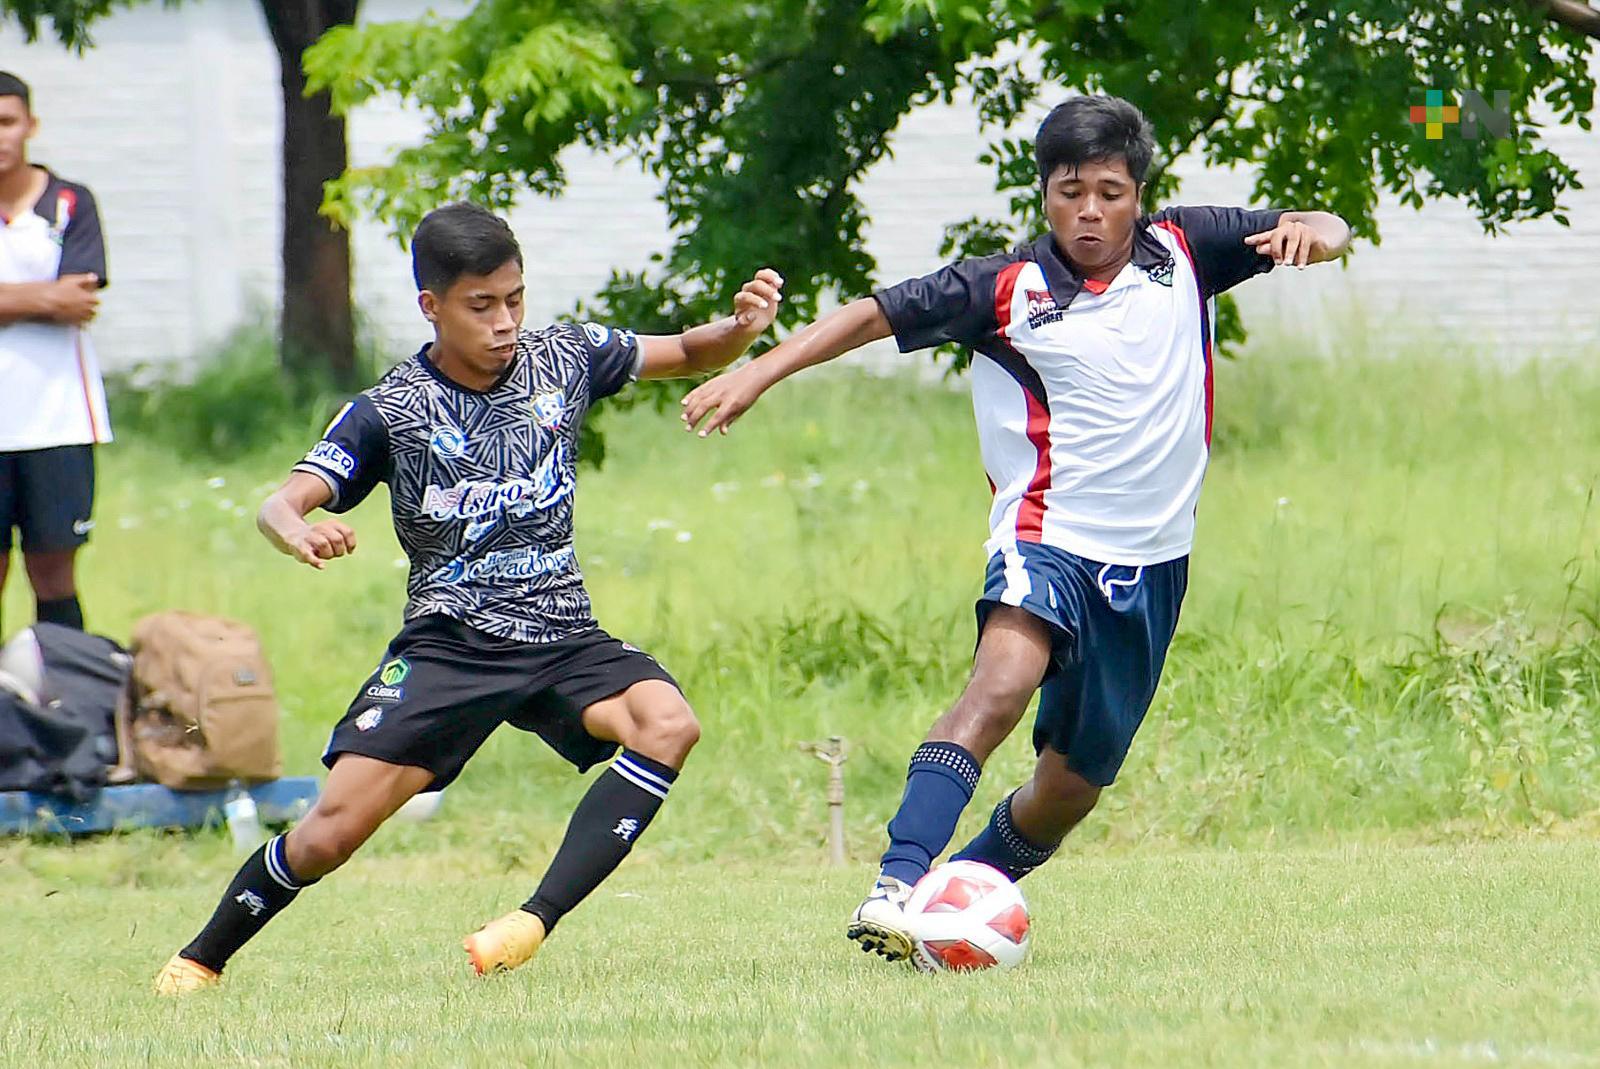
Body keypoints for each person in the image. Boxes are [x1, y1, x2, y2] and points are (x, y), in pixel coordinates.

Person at [681, 95, 1351, 965]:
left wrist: (1318, 236)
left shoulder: (1190, 249)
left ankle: (948, 902)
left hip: (1152, 565)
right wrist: (759, 374)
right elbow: (869, 314)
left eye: (1110, 191)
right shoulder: (1002, 288)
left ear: (1138, 194)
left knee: (1067, 793)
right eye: (1071, 191)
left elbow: (1322, 223)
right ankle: (894, 883)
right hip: (1046, 538)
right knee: (999, 684)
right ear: (1045, 193)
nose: (1090, 211)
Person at [154, 202, 784, 994]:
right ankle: (200, 959)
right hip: (452, 644)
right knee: (330, 833)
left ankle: (531, 921)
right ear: (432, 305)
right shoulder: (389, 410)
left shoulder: (570, 355)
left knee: (668, 723)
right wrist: (295, 529)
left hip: (563, 635)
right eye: (480, 305)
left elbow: (693, 349)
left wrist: (741, 328)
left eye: (515, 298)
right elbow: (282, 500)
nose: (505, 322)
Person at [0, 71, 110, 635]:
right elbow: (58, 297)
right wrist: (43, 296)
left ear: (30, 126)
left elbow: (79, 299)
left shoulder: (70, 202)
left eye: (6, 122)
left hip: (57, 419)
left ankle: (67, 709)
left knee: (53, 573)